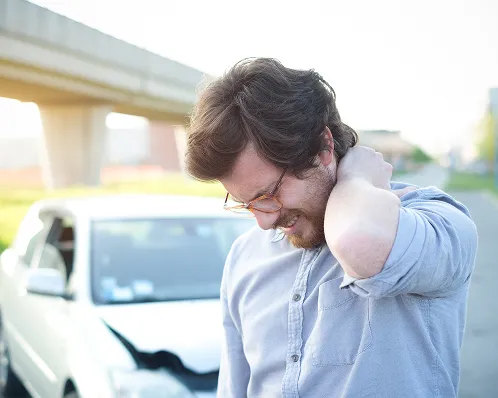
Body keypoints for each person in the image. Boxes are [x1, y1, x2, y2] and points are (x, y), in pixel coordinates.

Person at [184, 58, 478, 397]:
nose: (264, 222)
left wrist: (356, 177)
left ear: (323, 147)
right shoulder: (244, 256)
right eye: (246, 203)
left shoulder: (435, 220)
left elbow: (362, 243)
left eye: (269, 195)